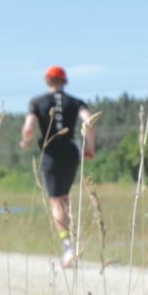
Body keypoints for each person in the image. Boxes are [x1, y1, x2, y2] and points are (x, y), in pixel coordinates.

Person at [19, 67, 96, 268]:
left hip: (50, 153)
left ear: (47, 81)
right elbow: (89, 121)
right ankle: (70, 241)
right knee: (66, 198)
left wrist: (26, 141)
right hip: (70, 152)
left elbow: (29, 127)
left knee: (55, 201)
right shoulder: (76, 102)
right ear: (65, 81)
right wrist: (89, 147)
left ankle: (67, 246)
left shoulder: (37, 103)